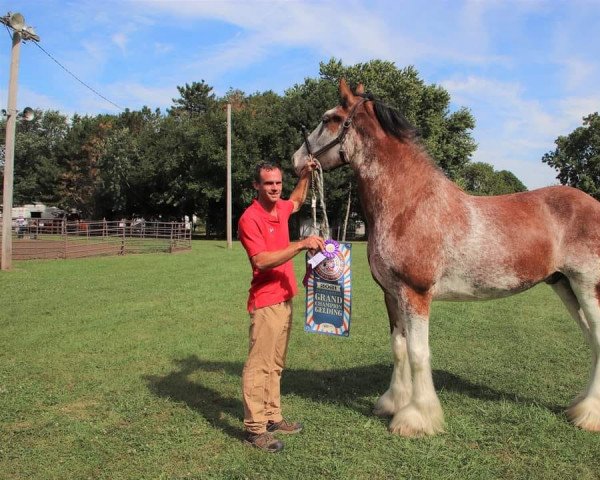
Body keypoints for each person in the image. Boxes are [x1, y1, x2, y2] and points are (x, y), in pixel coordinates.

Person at [238, 160, 325, 453]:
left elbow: (298, 199)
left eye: (277, 183)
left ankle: (273, 417)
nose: (275, 188)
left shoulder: (281, 209)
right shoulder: (250, 218)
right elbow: (260, 261)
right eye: (268, 183)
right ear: (256, 186)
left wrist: (306, 174)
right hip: (266, 302)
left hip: (286, 298)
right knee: (259, 366)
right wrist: (301, 244)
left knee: (275, 365)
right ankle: (255, 429)